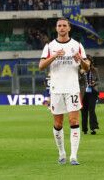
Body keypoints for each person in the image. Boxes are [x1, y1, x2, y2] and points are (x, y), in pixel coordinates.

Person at [38, 18, 89, 165]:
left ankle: (74, 156)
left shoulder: (77, 45)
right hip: (56, 90)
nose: (62, 28)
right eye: (59, 26)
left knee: (73, 121)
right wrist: (54, 56)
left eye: (64, 25)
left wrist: (81, 60)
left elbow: (86, 67)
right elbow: (41, 65)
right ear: (56, 28)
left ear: (69, 28)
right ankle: (61, 153)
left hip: (72, 89)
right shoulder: (50, 46)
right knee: (58, 123)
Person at [80, 56, 99, 135]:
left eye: (88, 61)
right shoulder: (80, 70)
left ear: (91, 62)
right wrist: (80, 74)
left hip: (92, 92)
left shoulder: (95, 70)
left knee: (92, 110)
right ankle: (84, 129)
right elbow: (78, 81)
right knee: (84, 112)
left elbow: (98, 81)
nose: (87, 62)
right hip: (83, 93)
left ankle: (93, 128)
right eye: (85, 61)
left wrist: (94, 83)